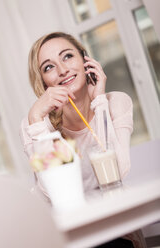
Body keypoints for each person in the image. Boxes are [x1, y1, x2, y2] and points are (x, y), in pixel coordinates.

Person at [20, 32, 148, 248]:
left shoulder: (114, 102)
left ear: (86, 60)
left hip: (115, 229)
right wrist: (37, 122)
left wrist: (99, 101)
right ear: (43, 81)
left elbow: (118, 171)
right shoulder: (35, 124)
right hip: (72, 234)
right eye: (48, 67)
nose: (62, 70)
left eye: (67, 56)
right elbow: (53, 193)